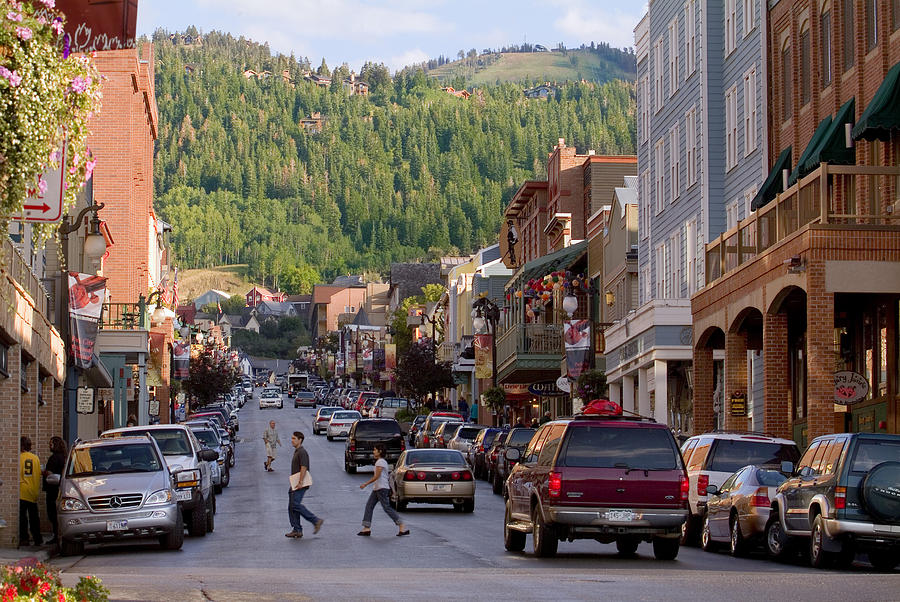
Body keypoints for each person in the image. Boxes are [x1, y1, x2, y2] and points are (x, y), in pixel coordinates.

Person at [358, 444, 408, 537]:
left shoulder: (380, 462)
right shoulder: (381, 461)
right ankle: (366, 528)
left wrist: (365, 484)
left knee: (387, 508)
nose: (373, 452)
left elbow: (377, 476)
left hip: (382, 488)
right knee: (369, 506)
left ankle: (401, 524)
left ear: (380, 451)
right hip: (378, 488)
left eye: (375, 450)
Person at [286, 431, 323, 538]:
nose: (292, 440)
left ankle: (316, 521)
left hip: (300, 483)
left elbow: (304, 467)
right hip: (295, 483)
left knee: (296, 505)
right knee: (292, 506)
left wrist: (300, 482)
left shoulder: (302, 452)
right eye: (292, 438)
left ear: (300, 440)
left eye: (294, 438)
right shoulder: (297, 451)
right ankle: (297, 529)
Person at [42, 436, 67, 544]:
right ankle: (59, 535)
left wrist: (44, 472)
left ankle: (56, 536)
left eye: (51, 444)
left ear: (55, 445)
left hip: (52, 490)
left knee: (52, 513)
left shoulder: (54, 458)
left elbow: (50, 473)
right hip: (61, 489)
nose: (49, 446)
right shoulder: (65, 457)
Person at [19, 436, 42, 547]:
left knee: (22, 517)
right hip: (33, 491)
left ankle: (24, 538)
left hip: (22, 491)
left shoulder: (19, 458)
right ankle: (38, 538)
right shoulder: (35, 458)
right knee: (34, 517)